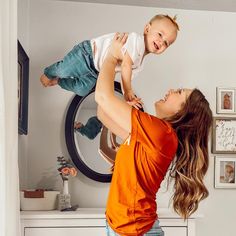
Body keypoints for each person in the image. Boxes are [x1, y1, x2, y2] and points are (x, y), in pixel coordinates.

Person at [95, 33, 213, 236]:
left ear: (184, 112)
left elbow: (102, 97)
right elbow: (103, 113)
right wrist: (123, 98)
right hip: (124, 227)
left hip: (132, 230)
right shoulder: (155, 133)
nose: (170, 90)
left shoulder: (162, 133)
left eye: (178, 92)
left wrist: (111, 57)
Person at [40, 14, 179, 108]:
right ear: (147, 29)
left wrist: (127, 97)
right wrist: (129, 91)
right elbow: (125, 65)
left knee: (82, 90)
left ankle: (58, 81)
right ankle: (49, 72)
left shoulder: (140, 64)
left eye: (166, 43)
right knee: (64, 70)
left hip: (96, 72)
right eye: (160, 34)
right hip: (88, 54)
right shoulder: (136, 41)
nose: (161, 42)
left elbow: (126, 81)